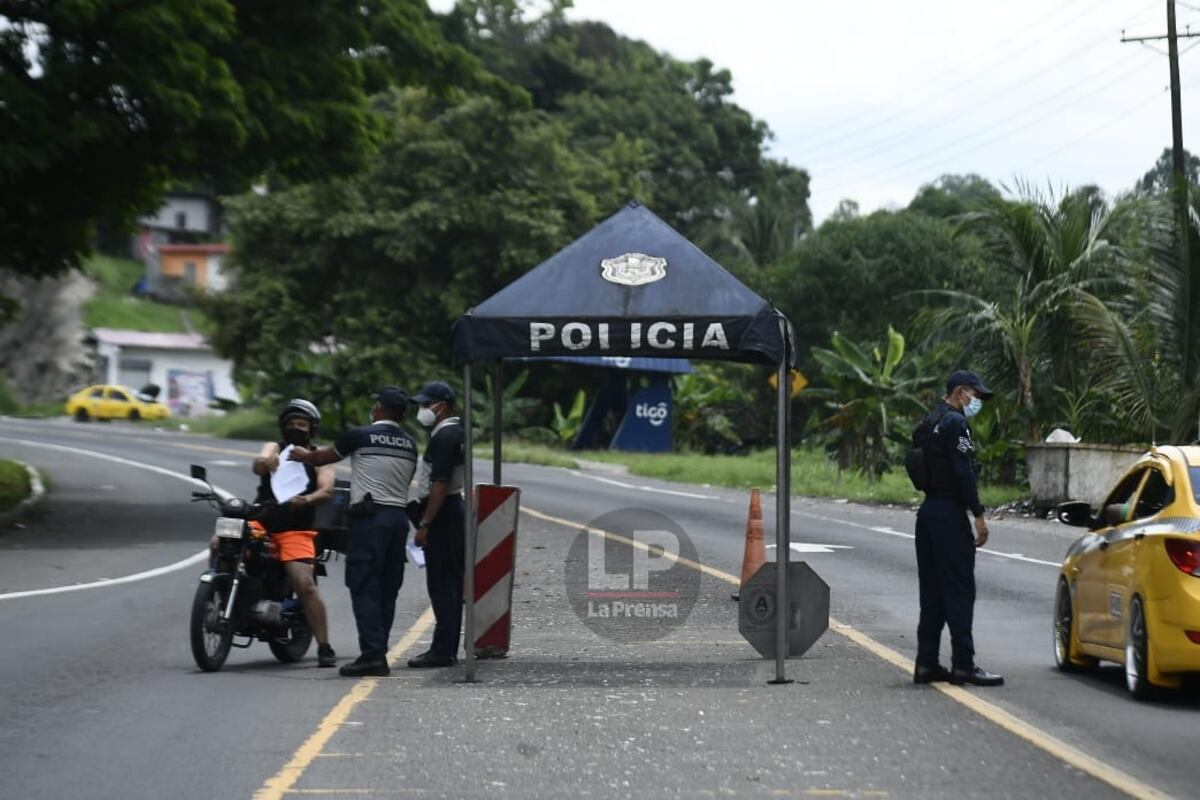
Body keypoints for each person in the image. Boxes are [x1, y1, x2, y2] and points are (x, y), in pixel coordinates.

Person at [290, 387, 418, 677]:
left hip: (370, 520)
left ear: (381, 409)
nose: (373, 408)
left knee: (364, 586)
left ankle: (372, 656)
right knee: (387, 589)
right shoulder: (410, 444)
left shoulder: (360, 435)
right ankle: (378, 651)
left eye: (375, 405)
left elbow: (325, 457)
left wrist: (302, 455)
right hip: (398, 520)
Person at [911, 370, 1004, 687]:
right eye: (974, 395)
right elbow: (964, 472)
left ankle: (926, 663)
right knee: (960, 591)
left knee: (932, 592)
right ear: (960, 392)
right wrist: (978, 514)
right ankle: (963, 664)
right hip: (950, 513)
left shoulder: (929, 421)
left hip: (927, 514)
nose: (975, 401)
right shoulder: (956, 423)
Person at [250, 399, 337, 668]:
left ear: (311, 428)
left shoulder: (320, 456)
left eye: (302, 424)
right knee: (221, 541)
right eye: (291, 424)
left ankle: (324, 646)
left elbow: (327, 490)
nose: (296, 428)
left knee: (305, 584)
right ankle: (221, 594)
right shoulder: (275, 448)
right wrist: (266, 461)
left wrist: (308, 500)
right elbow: (258, 463)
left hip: (295, 528)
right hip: (262, 521)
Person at [406, 381, 465, 669]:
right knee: (450, 584)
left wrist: (425, 523)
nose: (422, 410)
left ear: (440, 406)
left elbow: (439, 484)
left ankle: (442, 651)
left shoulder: (445, 436)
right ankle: (446, 648)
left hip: (443, 514)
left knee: (443, 585)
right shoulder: (455, 432)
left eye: (425, 405)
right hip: (451, 511)